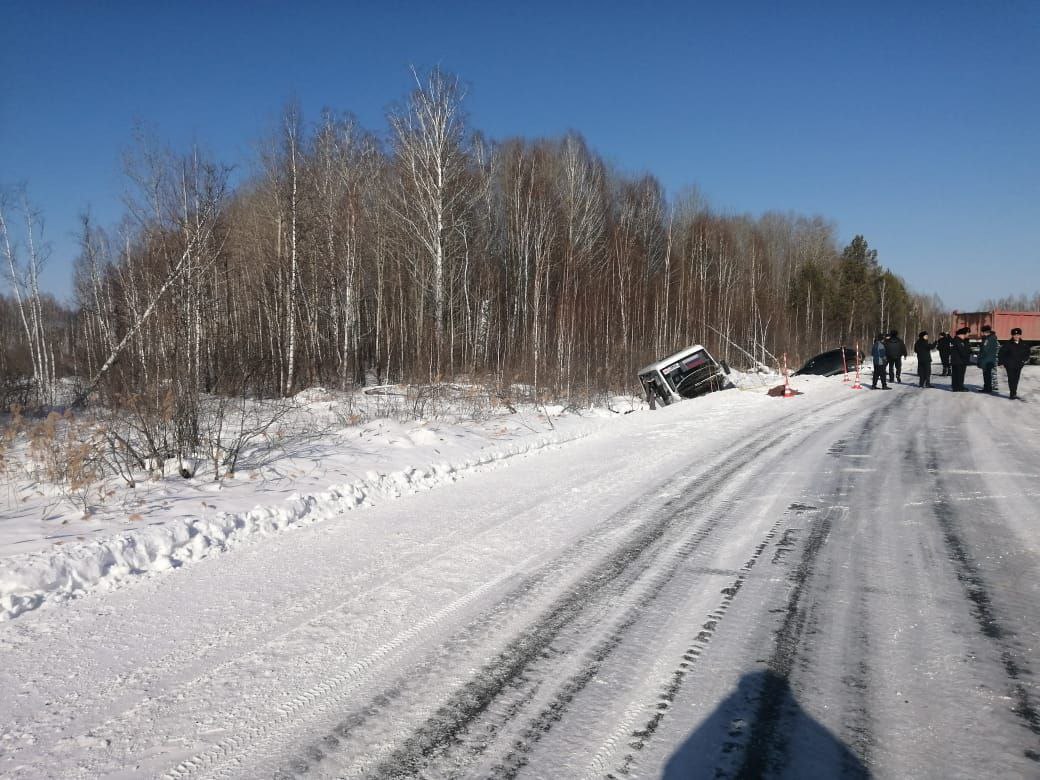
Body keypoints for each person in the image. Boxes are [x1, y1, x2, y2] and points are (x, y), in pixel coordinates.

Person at [998, 327, 1030, 400]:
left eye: (1018, 334)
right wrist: (1001, 362)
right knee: (1011, 379)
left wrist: (1024, 360)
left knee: (1016, 379)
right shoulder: (1008, 344)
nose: (1016, 336)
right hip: (1010, 365)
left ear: (1020, 335)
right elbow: (1001, 353)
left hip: (1019, 365)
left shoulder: (1024, 344)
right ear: (1012, 335)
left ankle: (1014, 393)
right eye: (1014, 335)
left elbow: (1027, 353)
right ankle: (1012, 394)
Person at [976, 324, 1000, 394]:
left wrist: (980, 359)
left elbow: (984, 350)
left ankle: (987, 388)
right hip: (990, 359)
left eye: (982, 332)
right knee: (987, 375)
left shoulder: (988, 339)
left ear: (985, 332)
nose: (981, 333)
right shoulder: (992, 338)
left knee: (987, 375)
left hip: (986, 360)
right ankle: (987, 387)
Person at [950, 326, 972, 391]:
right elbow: (963, 352)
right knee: (959, 375)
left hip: (957, 361)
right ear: (963, 334)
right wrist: (968, 352)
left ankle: (955, 387)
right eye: (968, 333)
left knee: (956, 375)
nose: (968, 335)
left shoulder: (958, 340)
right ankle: (959, 387)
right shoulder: (958, 341)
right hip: (959, 361)